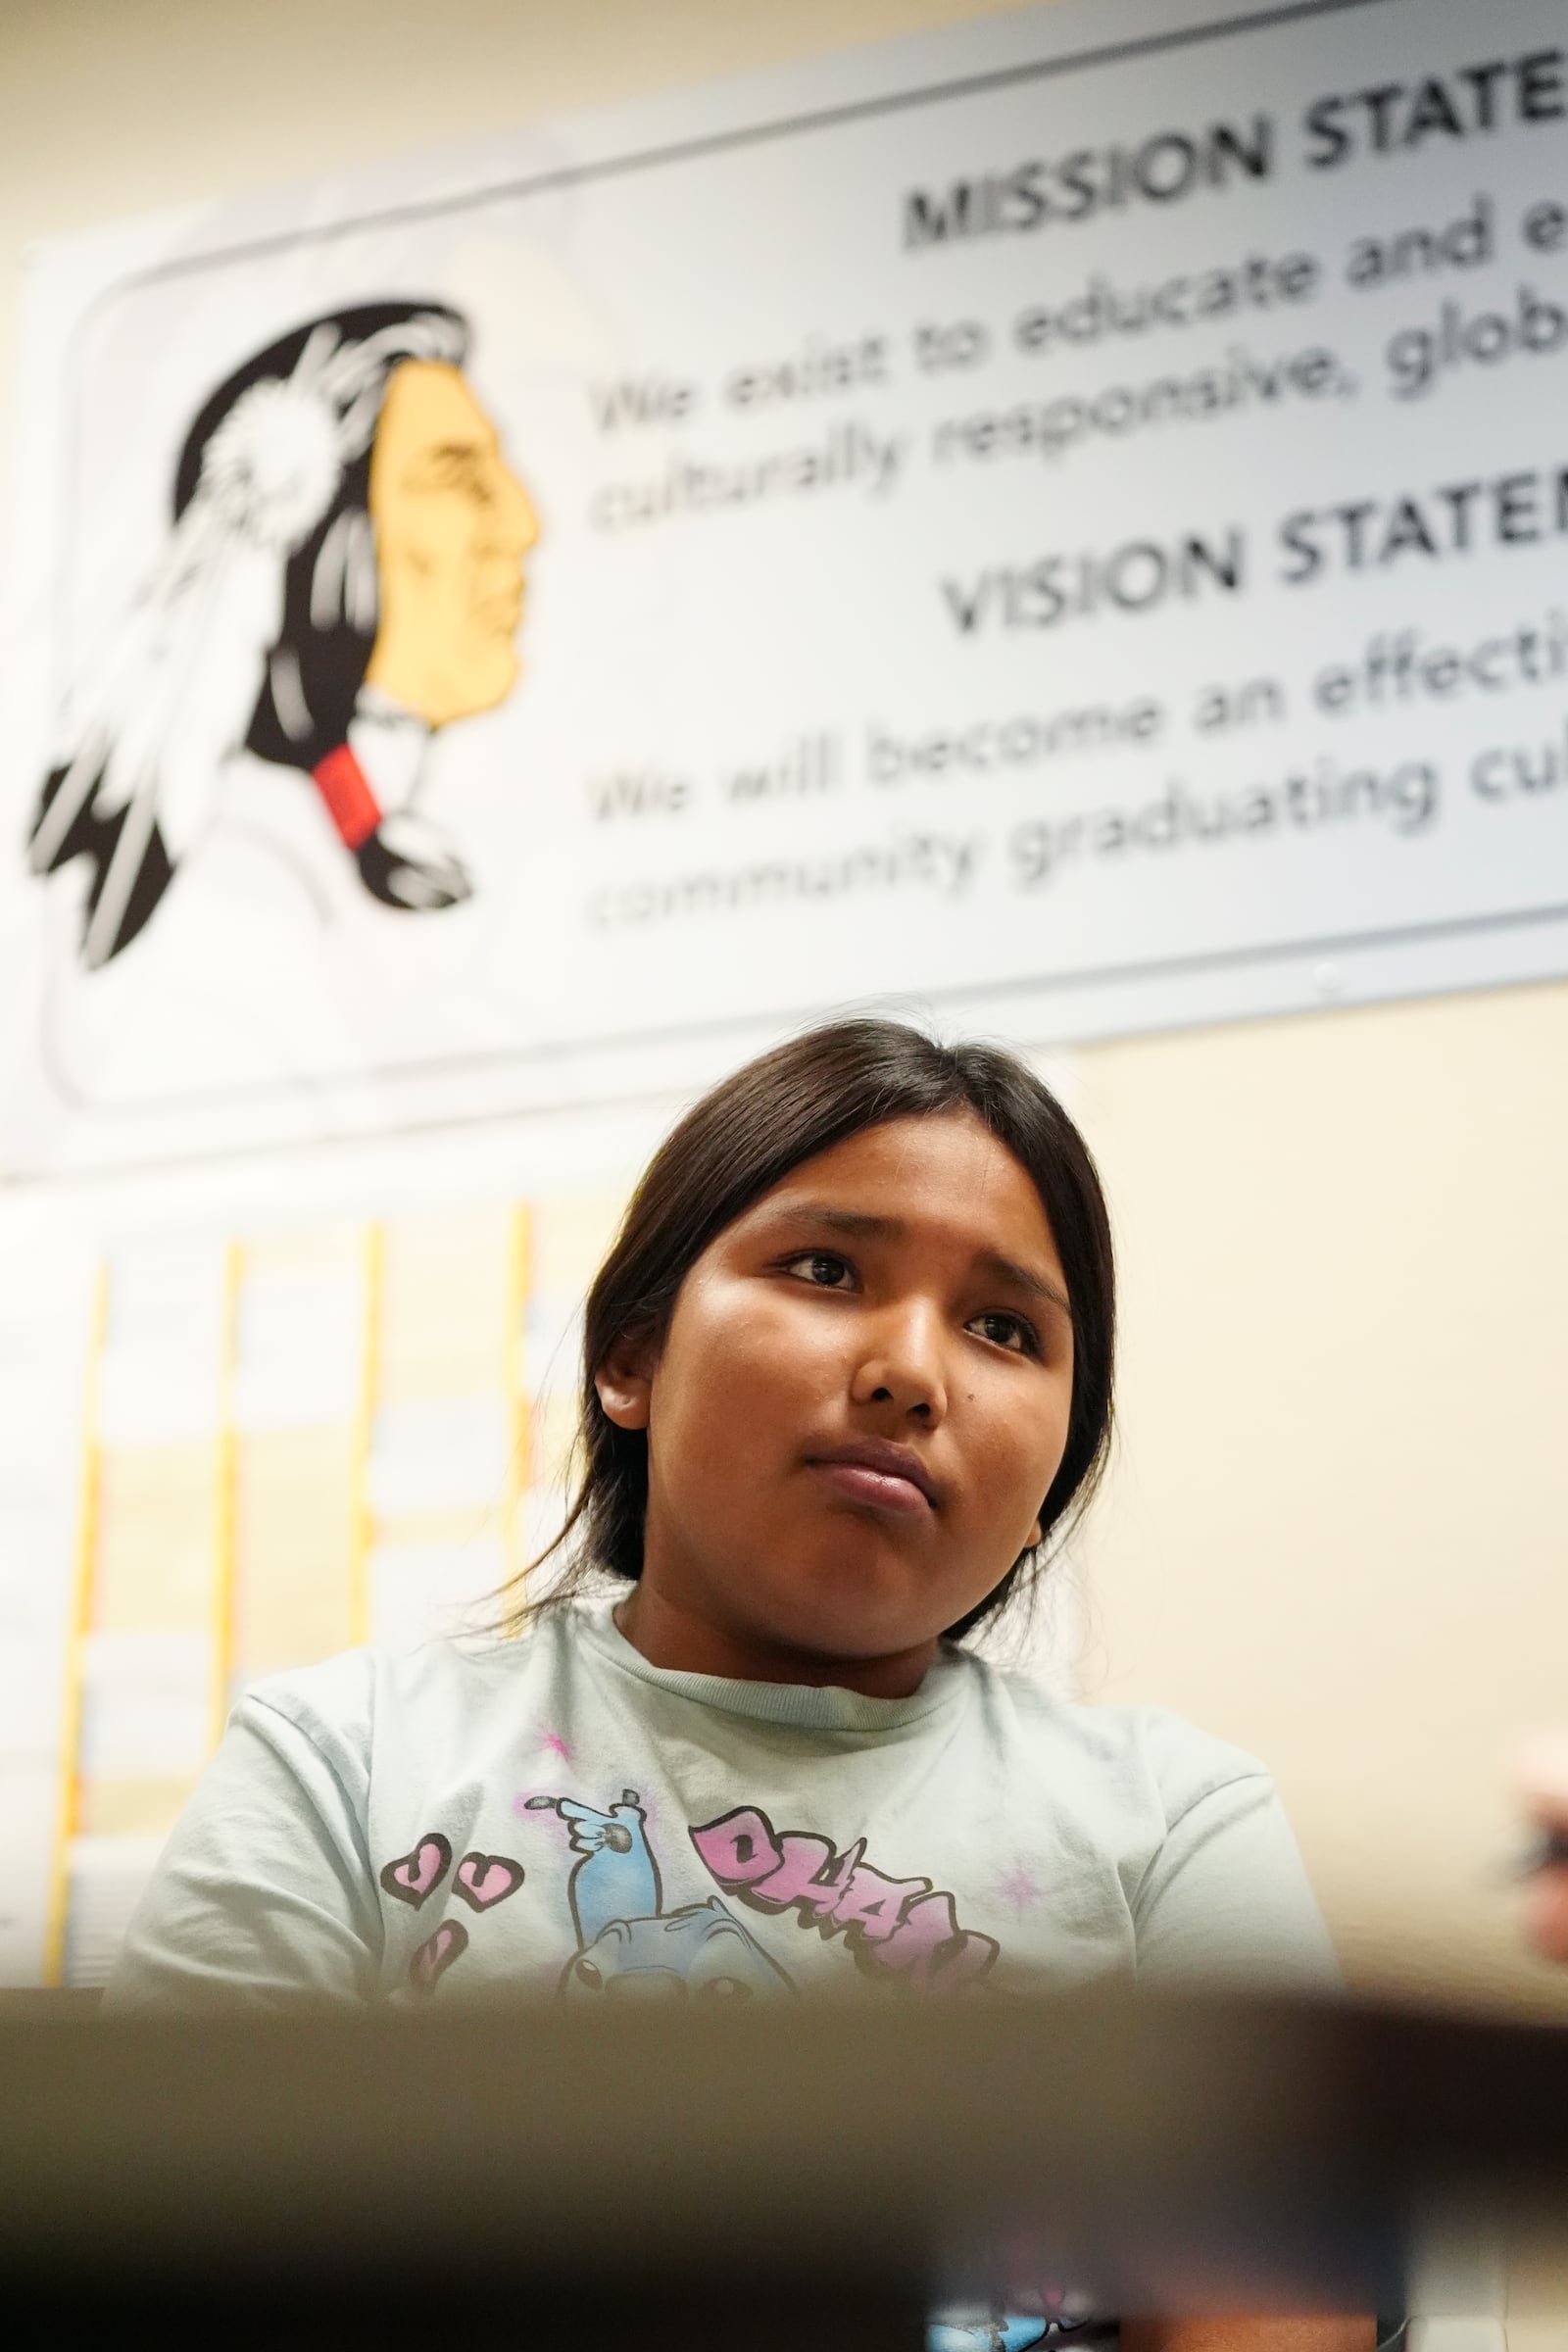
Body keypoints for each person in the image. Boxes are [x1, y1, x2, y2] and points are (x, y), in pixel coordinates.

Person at [107, 1017, 1368, 2352]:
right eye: (825, 1269)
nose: (909, 1371)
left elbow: (1272, 2319)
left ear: (1054, 1482)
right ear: (632, 1358)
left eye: (1004, 1328)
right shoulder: (341, 1763)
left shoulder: (1175, 1823)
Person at [29, 298, 539, 967]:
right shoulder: (251, 878)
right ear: (323, 543)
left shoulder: (419, 822)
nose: (523, 523)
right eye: (454, 474)